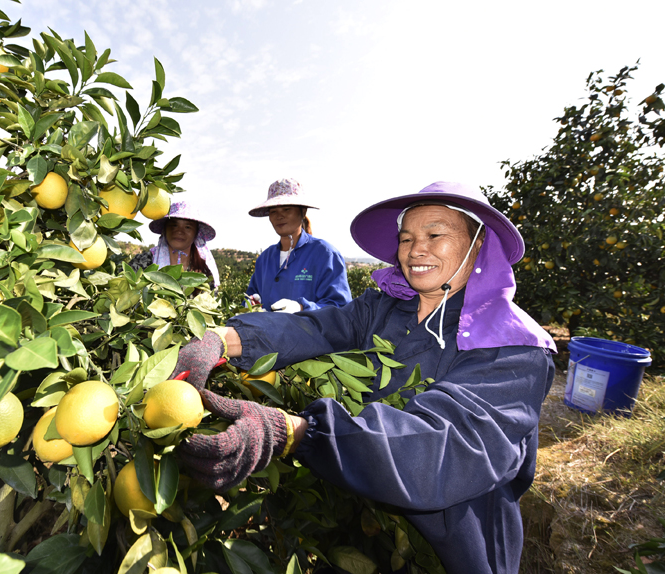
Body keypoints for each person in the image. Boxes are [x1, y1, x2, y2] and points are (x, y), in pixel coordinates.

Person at [171, 182, 557, 574]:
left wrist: (298, 432)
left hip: (451, 545)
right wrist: (222, 338)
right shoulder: (387, 308)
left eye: (434, 235)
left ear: (478, 244)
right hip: (358, 521)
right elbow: (317, 327)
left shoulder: (513, 348)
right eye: (406, 238)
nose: (415, 250)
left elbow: (440, 449)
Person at [245, 178, 352, 312]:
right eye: (273, 212)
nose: (279, 216)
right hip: (265, 332)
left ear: (303, 212)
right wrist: (251, 304)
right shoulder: (264, 259)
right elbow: (250, 296)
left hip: (309, 333)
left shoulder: (325, 255)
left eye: (287, 209)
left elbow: (341, 307)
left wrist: (302, 308)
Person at [128, 200, 220, 288]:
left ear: (196, 233)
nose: (179, 231)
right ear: (165, 229)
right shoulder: (144, 262)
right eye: (174, 225)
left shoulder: (203, 271)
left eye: (187, 227)